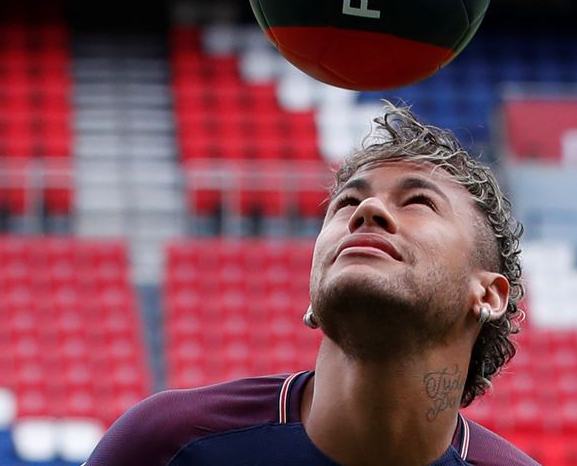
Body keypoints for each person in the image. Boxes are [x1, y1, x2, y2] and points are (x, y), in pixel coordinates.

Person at [84, 103, 536, 466]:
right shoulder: (165, 445)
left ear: (489, 294)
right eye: (347, 202)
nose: (368, 211)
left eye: (418, 201)